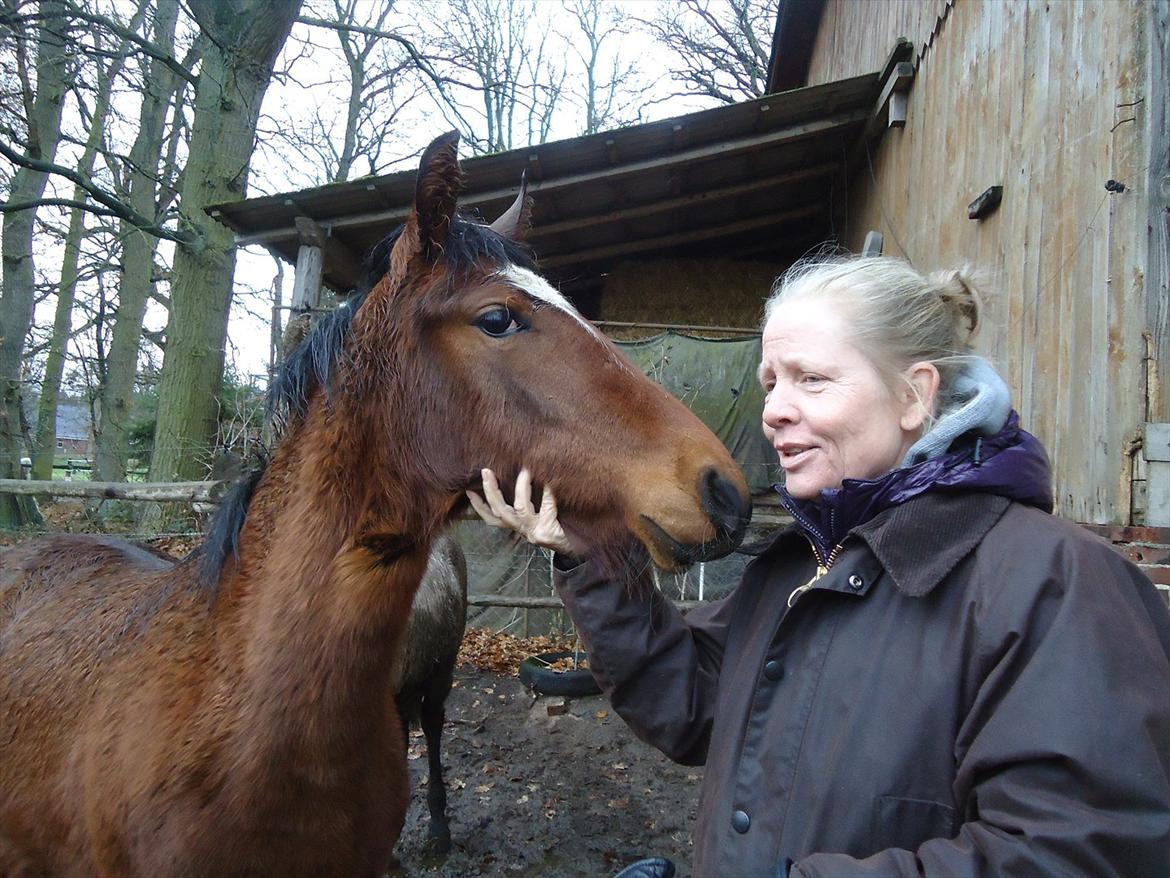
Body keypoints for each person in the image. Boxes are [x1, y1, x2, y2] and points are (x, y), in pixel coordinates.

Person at [468, 255, 1170, 878]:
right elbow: (684, 705)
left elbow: (1084, 852)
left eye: (812, 379)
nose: (774, 411)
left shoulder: (1058, 582)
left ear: (914, 396)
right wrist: (590, 553)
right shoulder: (797, 570)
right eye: (771, 381)